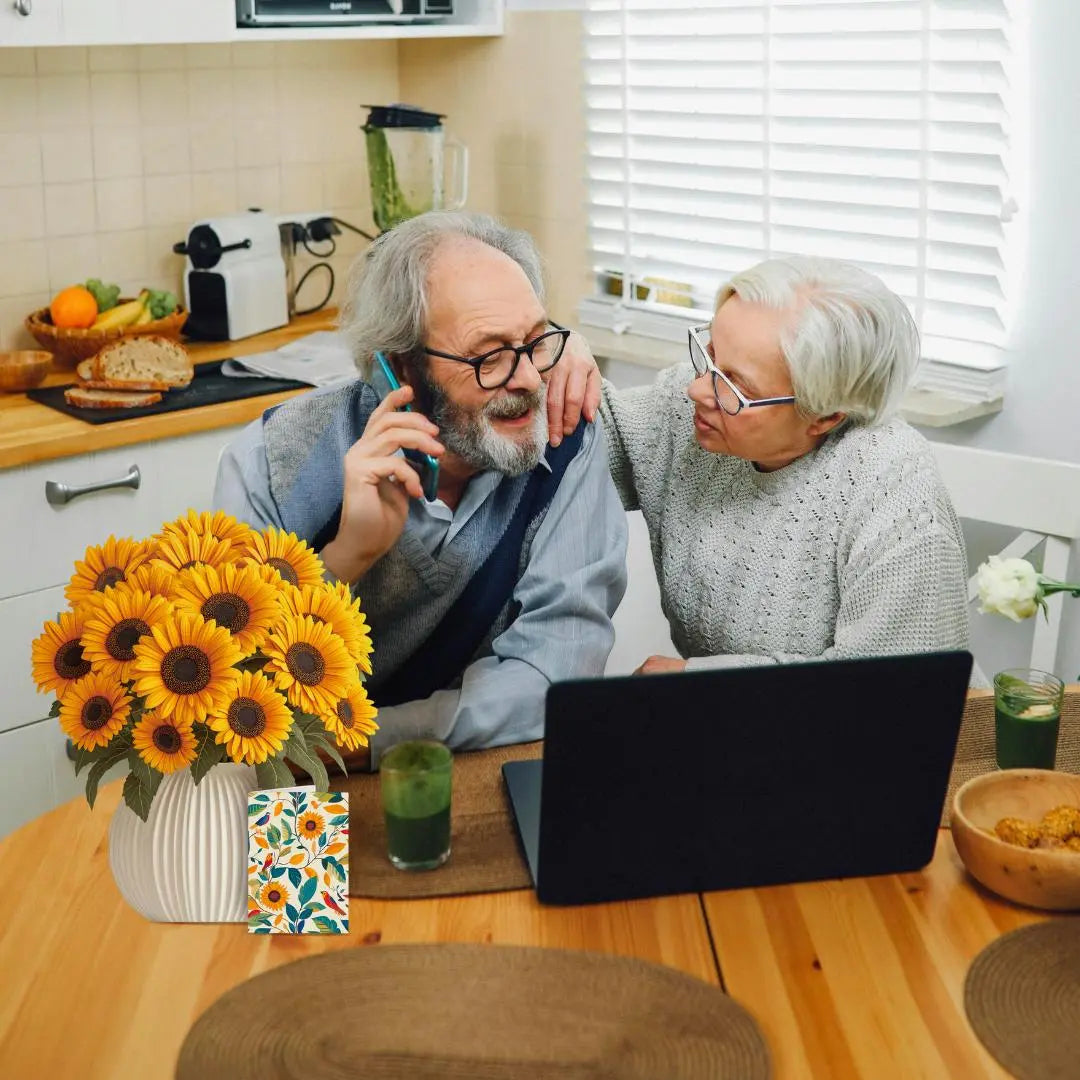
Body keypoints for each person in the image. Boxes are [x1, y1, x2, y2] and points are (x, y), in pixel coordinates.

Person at [214, 211, 627, 762]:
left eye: (535, 341)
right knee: (287, 850)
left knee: (526, 849)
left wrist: (374, 740)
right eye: (490, 356)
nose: (528, 378)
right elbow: (231, 687)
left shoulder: (567, 434)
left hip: (481, 768)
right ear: (400, 370)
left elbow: (555, 676)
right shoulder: (271, 461)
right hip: (303, 783)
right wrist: (347, 556)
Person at [548, 255, 970, 673]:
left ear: (824, 416)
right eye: (708, 353)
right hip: (729, 724)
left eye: (734, 384)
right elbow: (582, 434)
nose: (697, 389)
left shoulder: (898, 495)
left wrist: (694, 684)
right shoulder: (693, 408)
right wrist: (554, 350)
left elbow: (890, 694)